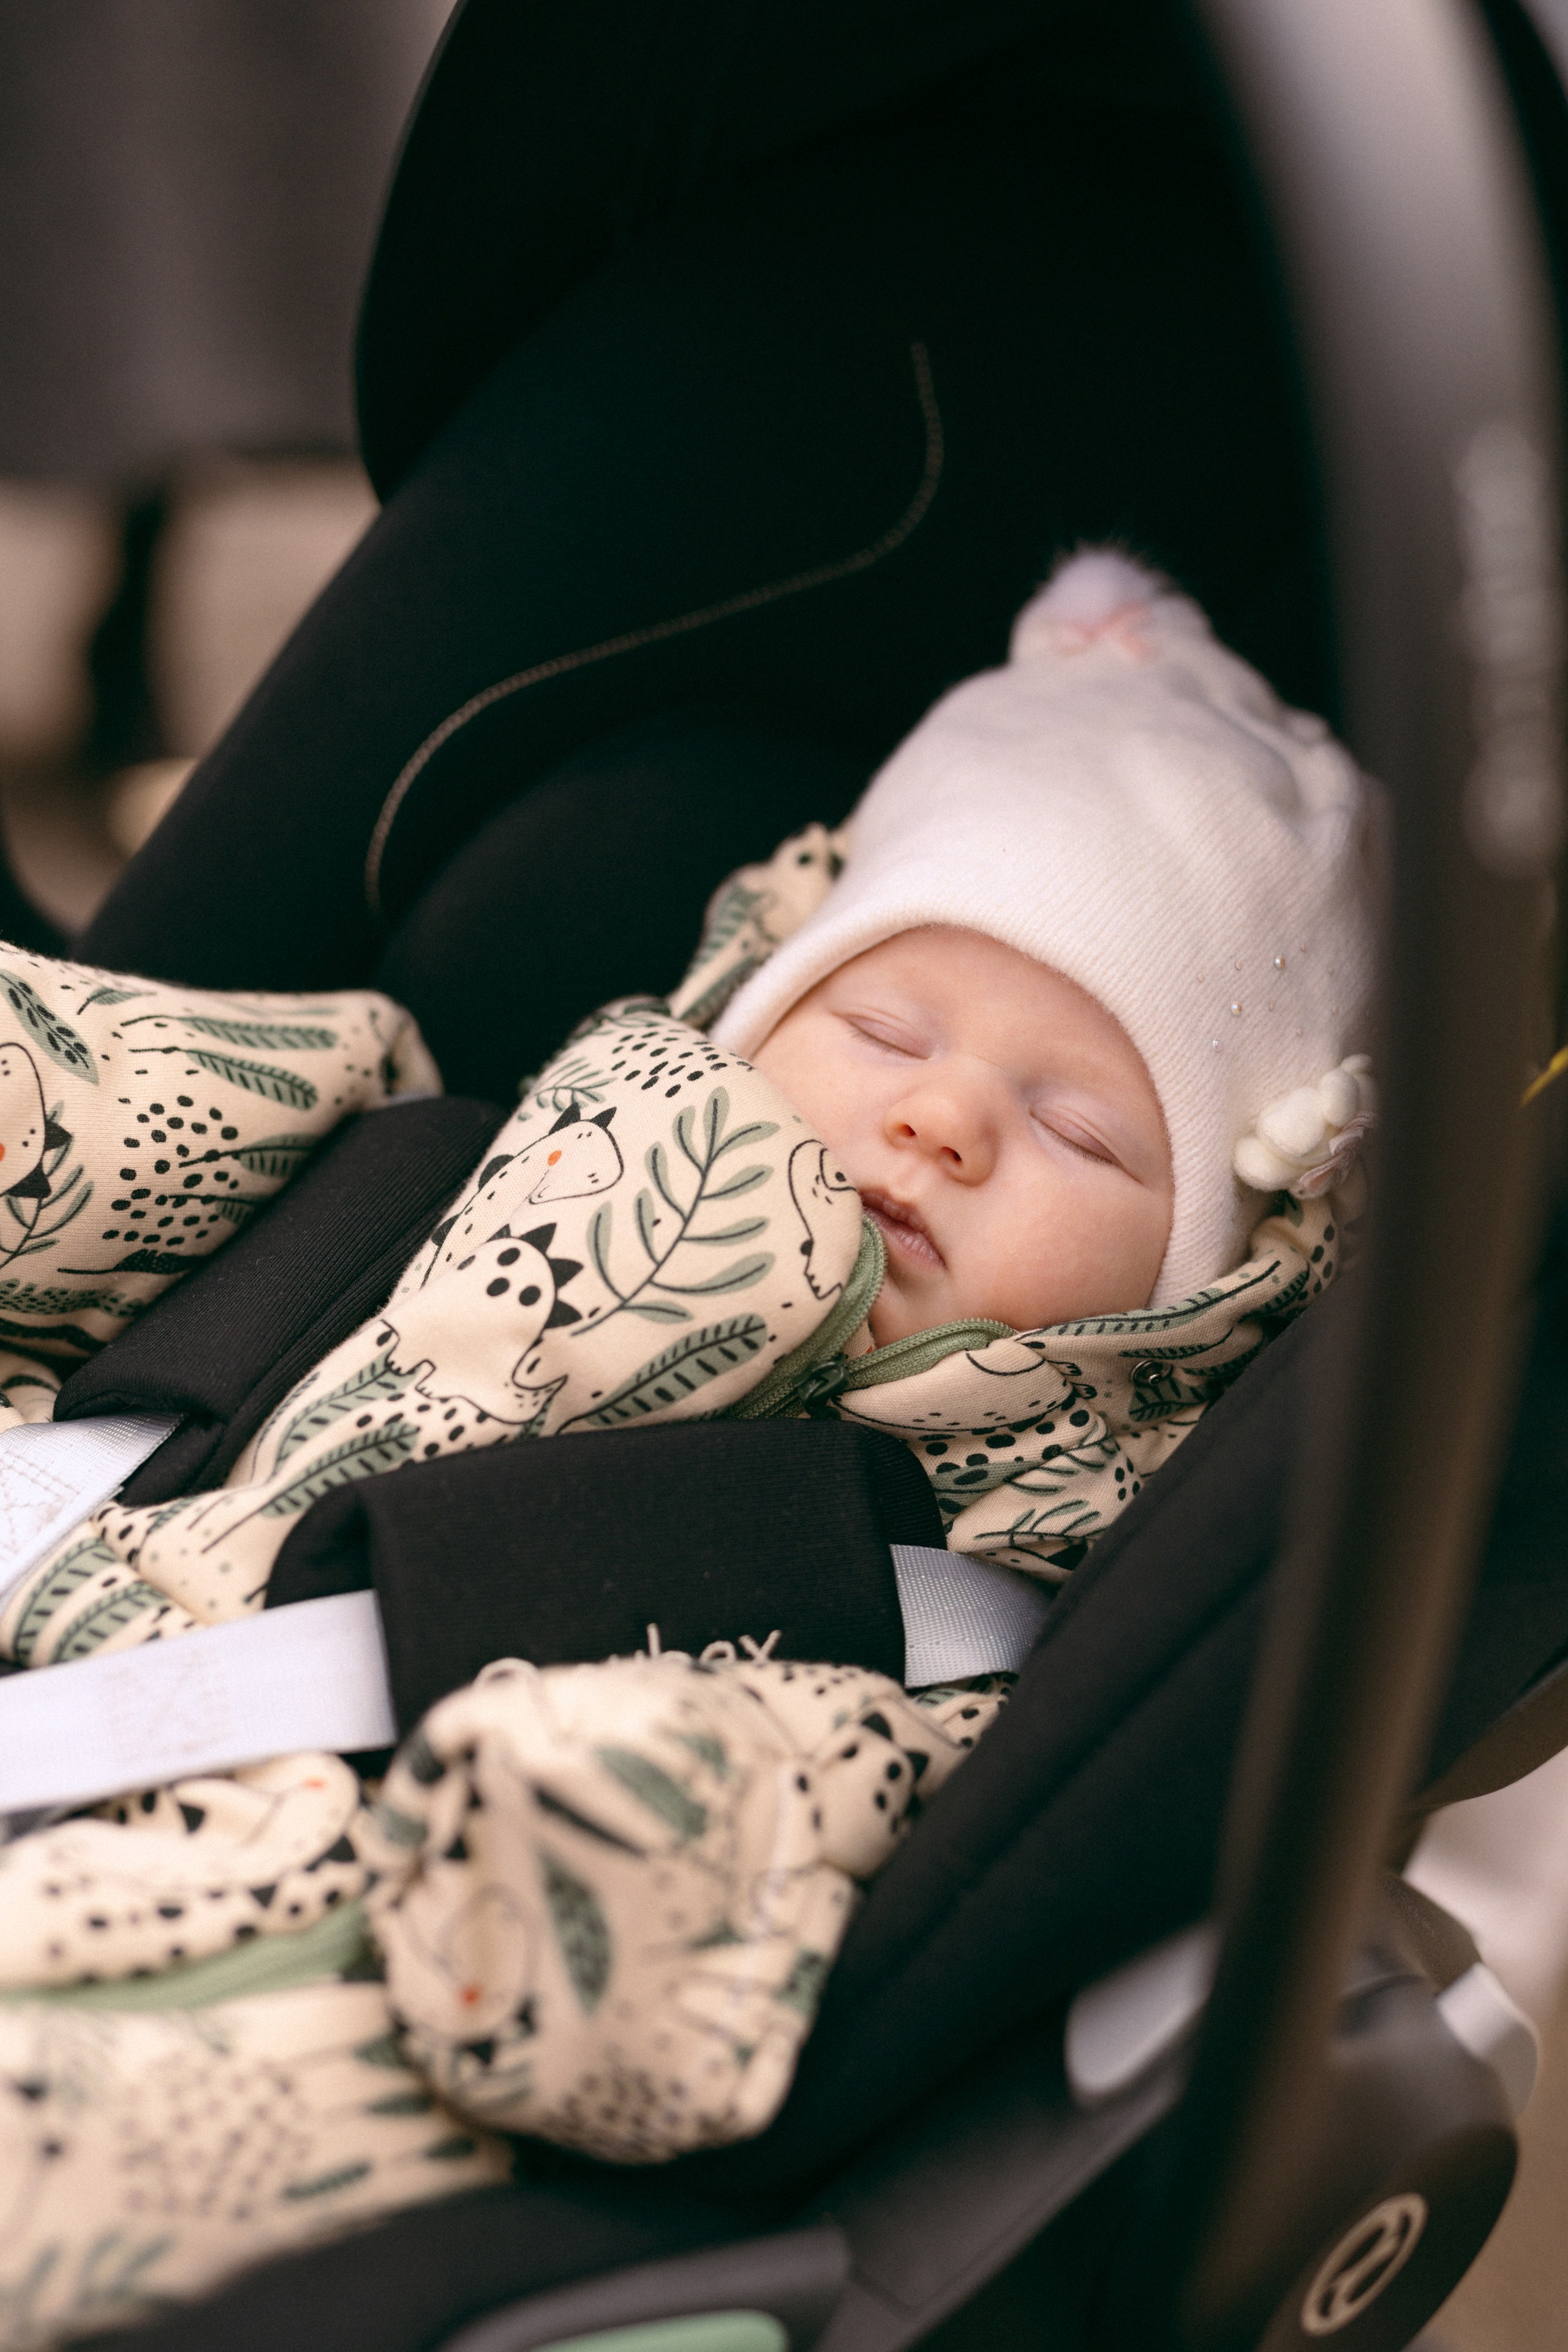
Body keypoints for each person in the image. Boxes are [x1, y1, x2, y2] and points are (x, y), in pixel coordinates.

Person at [0, 551, 1378, 2340]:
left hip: (277, 1967)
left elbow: (791, 1837)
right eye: (883, 1023)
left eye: (1084, 1133)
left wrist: (606, 1827)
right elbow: (133, 1119)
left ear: (1204, 1288)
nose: (941, 1115)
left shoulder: (959, 1611)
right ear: (760, 989)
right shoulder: (422, 1153)